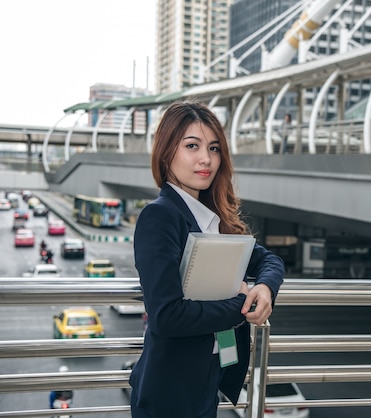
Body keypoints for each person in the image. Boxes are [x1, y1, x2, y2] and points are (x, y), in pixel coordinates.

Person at [129, 101, 284, 418]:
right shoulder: (160, 216)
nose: (206, 159)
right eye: (192, 146)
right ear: (166, 151)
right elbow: (166, 315)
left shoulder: (213, 220)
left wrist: (265, 288)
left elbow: (270, 261)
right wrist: (240, 305)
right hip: (168, 393)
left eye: (214, 148)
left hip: (206, 381)